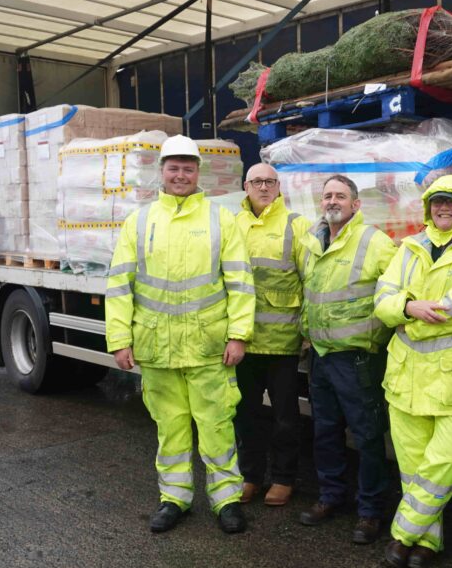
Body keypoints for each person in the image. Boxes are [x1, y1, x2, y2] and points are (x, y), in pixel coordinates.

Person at [105, 134, 256, 535]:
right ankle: (174, 498)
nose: (180, 175)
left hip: (208, 347)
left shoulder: (219, 219)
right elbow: (120, 284)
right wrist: (119, 339)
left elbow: (240, 281)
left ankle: (226, 500)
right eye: (173, 168)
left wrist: (239, 334)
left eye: (188, 168)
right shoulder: (139, 221)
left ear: (197, 173)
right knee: (169, 428)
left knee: (217, 426)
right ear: (162, 172)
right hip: (157, 347)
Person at [374, 175, 452, 568]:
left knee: (446, 459)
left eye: (451, 203)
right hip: (405, 378)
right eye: (437, 203)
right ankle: (427, 543)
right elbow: (382, 299)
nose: (444, 209)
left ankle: (403, 531)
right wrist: (408, 309)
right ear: (428, 208)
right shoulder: (409, 247)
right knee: (413, 468)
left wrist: (411, 316)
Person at [296, 174, 397, 544]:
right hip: (320, 356)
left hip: (357, 359)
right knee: (325, 431)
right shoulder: (312, 241)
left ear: (356, 205)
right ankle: (330, 496)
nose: (332, 201)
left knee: (368, 435)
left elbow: (397, 290)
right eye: (327, 196)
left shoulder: (375, 242)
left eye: (340, 195)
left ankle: (370, 510)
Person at [234, 163, 311, 507]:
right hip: (243, 341)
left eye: (270, 181)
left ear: (279, 187)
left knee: (284, 418)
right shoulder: (232, 225)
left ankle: (282, 478)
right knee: (245, 414)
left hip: (282, 343)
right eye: (257, 181)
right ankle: (250, 476)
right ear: (245, 186)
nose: (264, 187)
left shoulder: (296, 225)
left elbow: (312, 282)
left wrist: (306, 331)